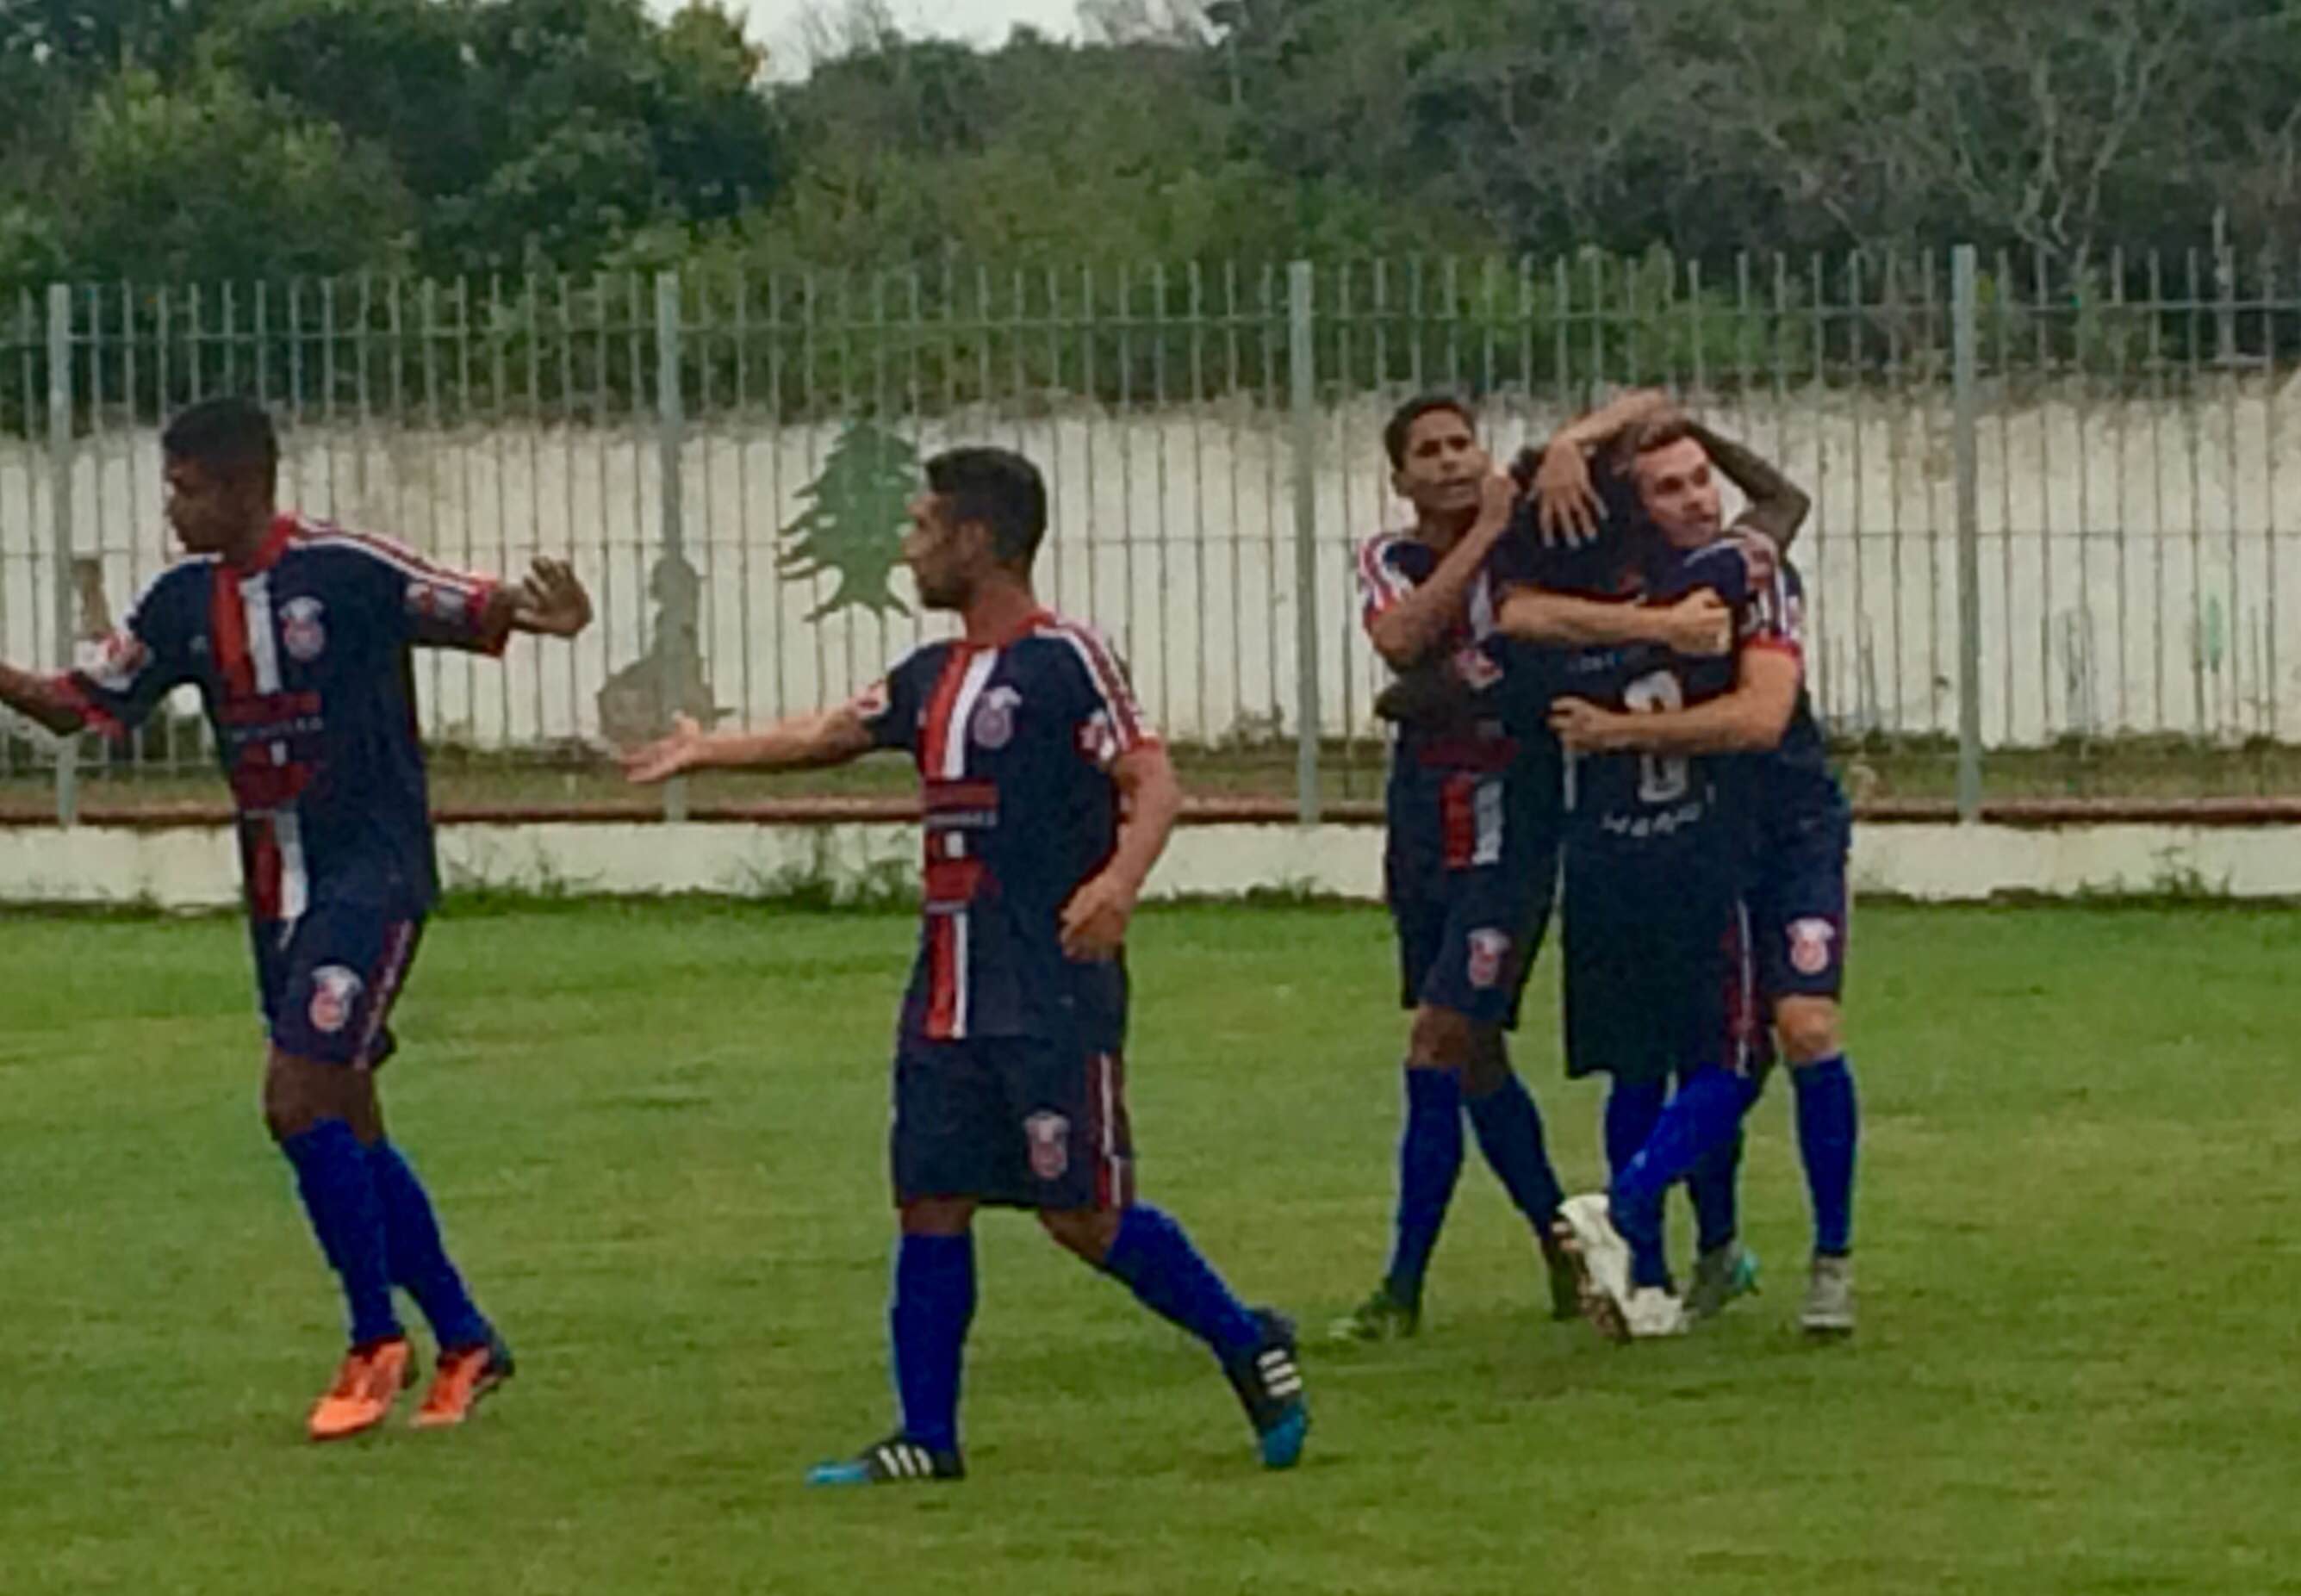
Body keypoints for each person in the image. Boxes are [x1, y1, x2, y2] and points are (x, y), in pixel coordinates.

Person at [625, 445, 1309, 1484]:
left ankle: (1243, 1338)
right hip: (945, 989)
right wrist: (704, 749)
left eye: (920, 529)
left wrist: (1118, 884)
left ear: (975, 540)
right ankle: (925, 1437)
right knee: (930, 1197)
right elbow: (827, 732)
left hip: (1049, 986)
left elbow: (1156, 781)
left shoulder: (1064, 658)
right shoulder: (928, 675)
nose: (907, 552)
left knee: (1079, 1211)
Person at [0, 396, 594, 1437]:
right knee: (347, 1112)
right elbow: (75, 703)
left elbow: (469, 603)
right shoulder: (183, 601)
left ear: (241, 485)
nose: (172, 509)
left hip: (372, 874)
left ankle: (375, 1339)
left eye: (185, 489)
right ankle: (464, 1335)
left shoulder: (345, 569)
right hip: (279, 888)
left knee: (292, 1097)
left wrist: (545, 610)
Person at [1543, 415, 1858, 1335]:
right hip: (1699, 850)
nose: (1696, 498)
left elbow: (1761, 718)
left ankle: (1823, 1257)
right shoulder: (1628, 597)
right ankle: (1674, 1250)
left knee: (1802, 1025)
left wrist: (1617, 733)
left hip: (1791, 830)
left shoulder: (1750, 575)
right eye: (1670, 486)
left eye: (1699, 480)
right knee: (1711, 1054)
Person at [1329, 394, 1583, 1344]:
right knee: (1476, 1054)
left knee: (1437, 1040)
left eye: (1459, 444)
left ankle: (1401, 1284)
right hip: (1423, 831)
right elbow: (1398, 640)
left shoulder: (1535, 543)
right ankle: (1563, 1241)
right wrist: (1480, 532)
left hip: (1510, 833)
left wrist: (1555, 458)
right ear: (1400, 478)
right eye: (1425, 452)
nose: (1447, 461)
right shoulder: (1391, 557)